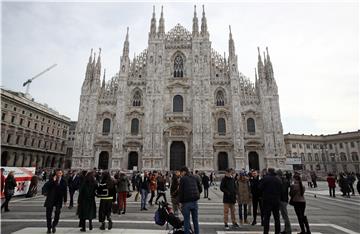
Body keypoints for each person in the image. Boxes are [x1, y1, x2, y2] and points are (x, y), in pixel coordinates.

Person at [178, 166, 202, 234]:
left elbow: (181, 191)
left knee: (186, 220)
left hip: (186, 203)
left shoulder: (183, 179)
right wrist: (195, 195)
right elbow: (200, 189)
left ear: (184, 172)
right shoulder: (195, 177)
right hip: (195, 202)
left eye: (181, 173)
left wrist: (180, 202)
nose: (181, 174)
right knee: (195, 220)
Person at [43, 169, 68, 233]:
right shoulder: (51, 179)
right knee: (48, 214)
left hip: (59, 199)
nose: (58, 174)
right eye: (57, 173)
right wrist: (53, 181)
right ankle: (49, 228)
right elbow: (45, 186)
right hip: (51, 198)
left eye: (60, 173)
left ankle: (54, 225)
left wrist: (65, 200)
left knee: (57, 213)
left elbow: (65, 191)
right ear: (55, 173)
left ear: (62, 174)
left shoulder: (64, 181)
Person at [259, 168, 282, 234]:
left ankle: (266, 232)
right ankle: (277, 232)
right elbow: (281, 189)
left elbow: (260, 187)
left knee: (266, 218)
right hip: (276, 201)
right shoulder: (278, 179)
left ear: (268, 172)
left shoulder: (265, 178)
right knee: (277, 218)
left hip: (267, 200)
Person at [277, 169, 292, 234]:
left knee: (285, 216)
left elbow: (282, 191)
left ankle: (288, 230)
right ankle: (286, 229)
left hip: (282, 200)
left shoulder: (281, 181)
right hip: (285, 199)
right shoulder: (286, 180)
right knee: (284, 215)